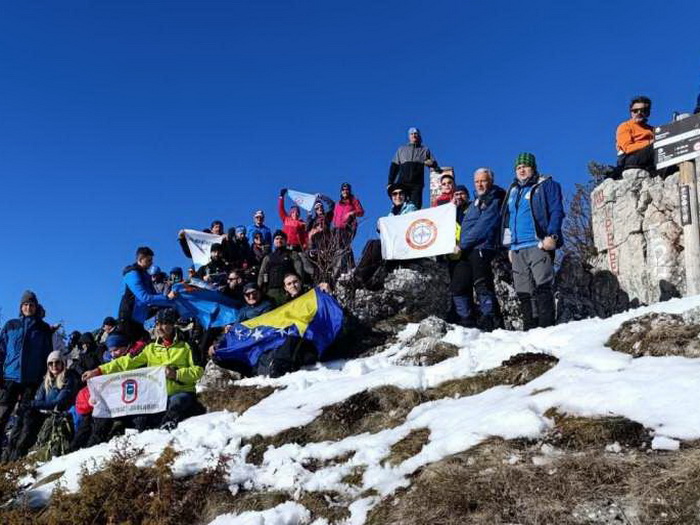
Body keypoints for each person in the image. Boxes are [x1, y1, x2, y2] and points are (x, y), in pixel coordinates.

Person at [82, 308, 204, 432]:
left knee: (176, 403)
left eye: (164, 323)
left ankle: (166, 431)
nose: (159, 328)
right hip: (157, 396)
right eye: (157, 324)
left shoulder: (187, 345)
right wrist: (99, 370)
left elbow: (198, 371)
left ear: (173, 324)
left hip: (181, 392)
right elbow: (126, 362)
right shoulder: (149, 348)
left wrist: (176, 374)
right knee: (142, 419)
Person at [501, 153, 564, 330]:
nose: (521, 170)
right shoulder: (512, 190)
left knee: (543, 285)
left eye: (525, 166)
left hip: (537, 243)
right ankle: (530, 328)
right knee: (523, 291)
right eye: (518, 167)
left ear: (533, 168)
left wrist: (552, 235)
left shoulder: (545, 185)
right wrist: (509, 246)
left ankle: (546, 327)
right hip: (517, 248)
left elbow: (556, 210)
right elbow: (507, 219)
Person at [450, 168, 505, 331]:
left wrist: (462, 244)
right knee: (458, 285)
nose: (480, 184)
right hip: (466, 250)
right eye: (477, 181)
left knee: (481, 284)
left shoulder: (493, 199)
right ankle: (466, 319)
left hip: (481, 247)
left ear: (490, 181)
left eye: (483, 180)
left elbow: (483, 226)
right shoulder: (475, 202)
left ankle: (488, 318)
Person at [0, 291, 54, 454]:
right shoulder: (11, 325)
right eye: (25, 305)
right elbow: (1, 350)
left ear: (36, 307)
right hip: (9, 376)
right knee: (2, 414)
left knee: (25, 418)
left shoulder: (43, 329)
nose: (28, 307)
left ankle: (14, 454)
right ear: (21, 307)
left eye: (31, 305)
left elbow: (48, 354)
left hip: (32, 379)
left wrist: (46, 376)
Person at [5, 351, 77, 461]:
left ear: (63, 363)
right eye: (51, 363)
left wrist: (32, 404)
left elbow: (58, 402)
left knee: (29, 420)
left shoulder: (68, 379)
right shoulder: (46, 381)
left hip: (57, 416)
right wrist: (31, 405)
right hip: (43, 413)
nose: (54, 366)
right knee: (23, 417)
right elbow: (39, 399)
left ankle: (18, 455)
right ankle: (9, 454)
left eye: (57, 362)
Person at [118, 246, 176, 343]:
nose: (151, 263)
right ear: (140, 259)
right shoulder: (132, 274)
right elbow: (145, 297)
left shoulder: (145, 275)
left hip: (139, 319)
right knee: (134, 350)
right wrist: (167, 298)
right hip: (128, 318)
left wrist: (173, 300)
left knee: (143, 345)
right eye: (149, 260)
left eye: (151, 260)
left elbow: (154, 294)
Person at [387, 127, 440, 208]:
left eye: (415, 133)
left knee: (415, 206)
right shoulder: (402, 149)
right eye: (412, 134)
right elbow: (394, 166)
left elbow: (434, 164)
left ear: (418, 135)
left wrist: (432, 164)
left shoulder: (424, 150)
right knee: (400, 204)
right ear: (409, 136)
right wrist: (390, 182)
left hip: (416, 184)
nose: (414, 135)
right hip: (402, 182)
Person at [258, 230, 305, 304]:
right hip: (271, 291)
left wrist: (299, 286)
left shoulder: (292, 254)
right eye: (277, 238)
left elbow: (299, 272)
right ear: (273, 242)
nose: (279, 240)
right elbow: (261, 273)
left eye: (281, 238)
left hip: (288, 290)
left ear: (286, 241)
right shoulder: (268, 257)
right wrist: (259, 289)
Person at [616, 96, 655, 173]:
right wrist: (650, 142)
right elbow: (627, 148)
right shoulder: (625, 126)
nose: (639, 113)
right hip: (630, 159)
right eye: (635, 111)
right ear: (631, 112)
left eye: (643, 110)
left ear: (648, 113)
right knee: (656, 146)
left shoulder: (652, 129)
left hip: (648, 159)